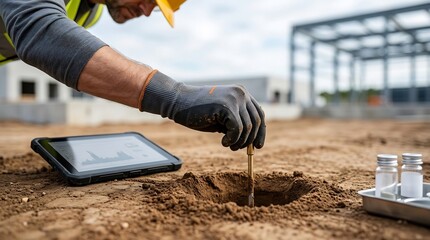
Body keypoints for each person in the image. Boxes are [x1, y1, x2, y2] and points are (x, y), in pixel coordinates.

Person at [0, 0, 266, 151]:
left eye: (157, 7)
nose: (147, 11)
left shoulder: (87, 13)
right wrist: (175, 96)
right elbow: (39, 27)